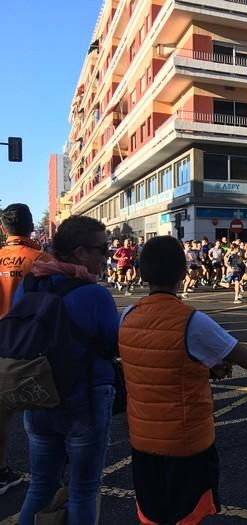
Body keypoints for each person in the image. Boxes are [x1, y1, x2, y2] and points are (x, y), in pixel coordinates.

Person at [119, 235, 247, 525]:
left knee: (152, 514)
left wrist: (203, 367)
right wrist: (213, 363)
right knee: (185, 515)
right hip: (185, 443)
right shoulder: (192, 320)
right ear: (184, 273)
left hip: (143, 440)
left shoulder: (127, 316)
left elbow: (155, 361)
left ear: (142, 274)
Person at [16, 216, 119, 525]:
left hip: (37, 393)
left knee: (40, 485)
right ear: (80, 252)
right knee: (84, 490)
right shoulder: (94, 294)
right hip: (82, 399)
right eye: (102, 249)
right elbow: (114, 345)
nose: (106, 256)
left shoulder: (30, 284)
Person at [0, 204, 51, 495]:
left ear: (3, 229)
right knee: (38, 413)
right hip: (30, 345)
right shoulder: (42, 259)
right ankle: (46, 474)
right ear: (32, 228)